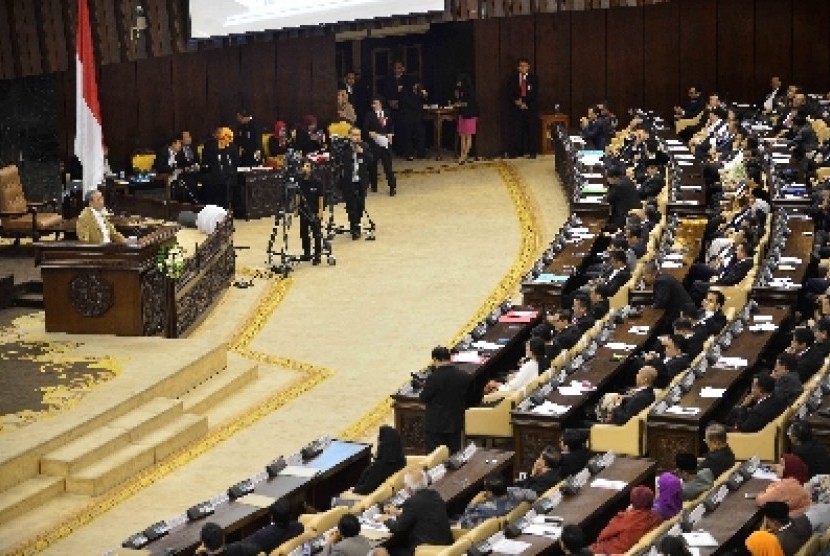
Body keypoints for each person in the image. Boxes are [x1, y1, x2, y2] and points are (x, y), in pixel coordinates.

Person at [376, 468, 453, 556]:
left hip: (426, 551)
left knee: (391, 549)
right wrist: (399, 513)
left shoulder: (411, 503)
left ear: (409, 488)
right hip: (446, 547)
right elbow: (422, 512)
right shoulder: (434, 494)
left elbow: (398, 528)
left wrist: (386, 520)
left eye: (404, 484)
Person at [419, 346, 470, 453]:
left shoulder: (434, 378)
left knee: (436, 458)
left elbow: (423, 398)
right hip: (455, 422)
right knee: (454, 454)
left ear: (436, 360)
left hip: (436, 426)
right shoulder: (463, 375)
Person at [590, 485, 663, 554]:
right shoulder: (657, 518)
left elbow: (602, 536)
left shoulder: (625, 518)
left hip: (611, 550)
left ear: (633, 502)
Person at [457, 472, 537, 527]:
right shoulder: (517, 494)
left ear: (490, 493)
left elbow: (463, 524)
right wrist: (509, 490)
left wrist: (473, 502)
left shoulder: (483, 509)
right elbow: (533, 495)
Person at [351, 425, 407, 495]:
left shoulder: (379, 466)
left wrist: (352, 490)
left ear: (383, 444)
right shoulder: (402, 460)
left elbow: (366, 488)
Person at [340, 126, 373, 240]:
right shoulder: (344, 148)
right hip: (348, 182)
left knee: (360, 205)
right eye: (354, 135)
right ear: (349, 136)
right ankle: (354, 229)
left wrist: (362, 152)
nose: (356, 137)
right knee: (351, 206)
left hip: (361, 181)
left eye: (358, 135)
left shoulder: (364, 146)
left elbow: (371, 160)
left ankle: (357, 224)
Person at [362, 97, 397, 196]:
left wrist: (391, 133)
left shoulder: (387, 113)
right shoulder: (369, 115)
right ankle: (374, 185)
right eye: (372, 104)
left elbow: (391, 125)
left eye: (375, 103)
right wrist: (370, 133)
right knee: (373, 166)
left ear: (381, 104)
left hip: (385, 142)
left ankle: (392, 186)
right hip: (374, 143)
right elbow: (365, 128)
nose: (373, 106)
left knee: (388, 166)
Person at [509, 58, 539, 158]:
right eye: (521, 66)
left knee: (531, 130)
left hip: (530, 108)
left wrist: (526, 103)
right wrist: (517, 101)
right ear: (518, 68)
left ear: (528, 67)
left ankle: (532, 152)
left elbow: (535, 93)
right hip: (516, 108)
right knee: (517, 129)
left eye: (525, 66)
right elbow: (510, 92)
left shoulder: (533, 78)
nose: (523, 68)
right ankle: (517, 151)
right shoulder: (513, 78)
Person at [297, 159, 323, 264]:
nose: (305, 168)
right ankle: (307, 253)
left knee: (316, 234)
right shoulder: (300, 181)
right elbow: (297, 195)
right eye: (304, 166)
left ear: (311, 169)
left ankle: (317, 255)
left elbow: (321, 197)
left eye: (307, 166)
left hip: (314, 210)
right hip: (303, 211)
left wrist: (320, 210)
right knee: (303, 233)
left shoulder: (317, 181)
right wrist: (296, 208)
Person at [605, 164, 641, 232]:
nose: (607, 179)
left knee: (606, 224)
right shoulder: (626, 179)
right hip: (632, 211)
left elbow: (609, 199)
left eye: (608, 178)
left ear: (614, 177)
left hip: (624, 216)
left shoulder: (618, 185)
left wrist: (610, 185)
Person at [453, 73, 479, 164]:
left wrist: (459, 104)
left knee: (468, 136)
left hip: (470, 115)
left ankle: (464, 155)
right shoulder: (460, 91)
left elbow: (469, 103)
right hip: (462, 114)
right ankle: (462, 154)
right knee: (462, 135)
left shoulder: (470, 91)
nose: (457, 83)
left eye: (459, 82)